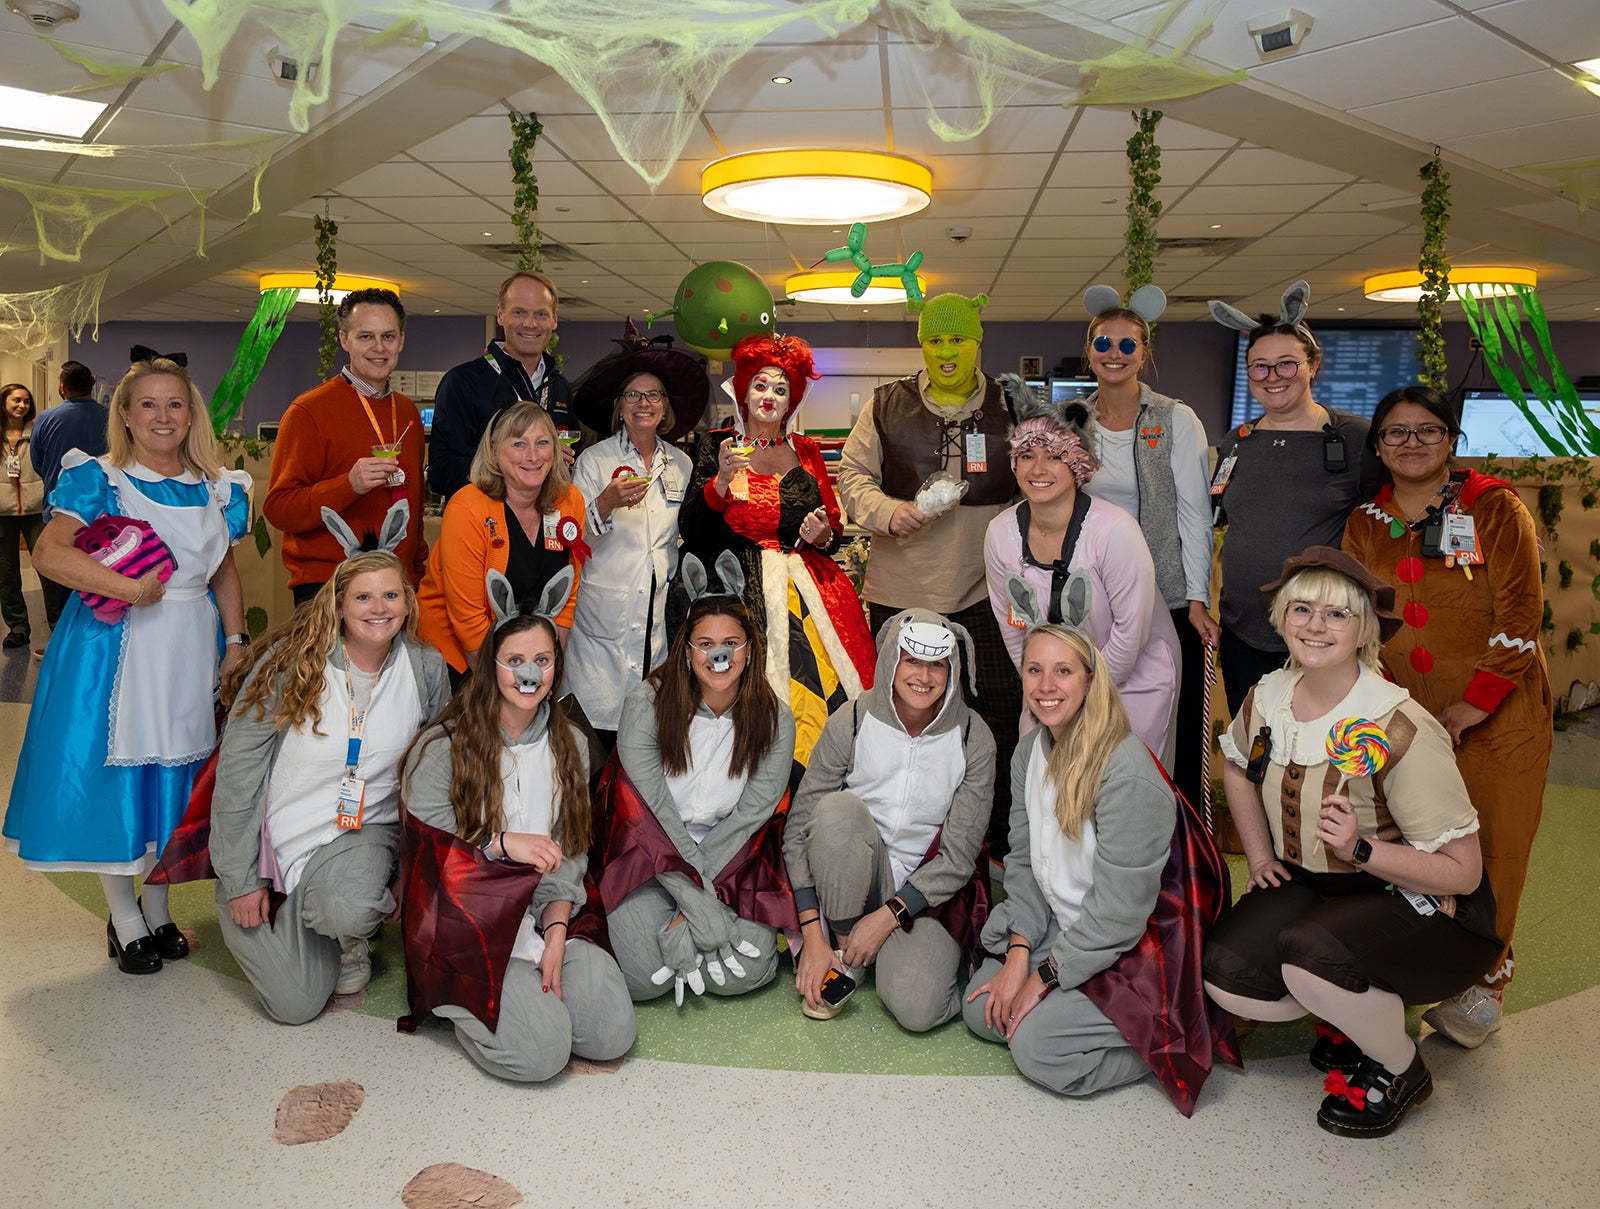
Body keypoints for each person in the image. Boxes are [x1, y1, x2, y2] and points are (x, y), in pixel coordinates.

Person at [1202, 547, 1499, 1138]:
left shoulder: (1397, 724)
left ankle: (1400, 1066)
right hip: (1316, 887)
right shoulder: (1268, 696)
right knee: (1226, 971)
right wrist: (1259, 856)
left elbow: (1463, 873)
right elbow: (1237, 765)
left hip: (1420, 900)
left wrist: (1362, 849)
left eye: (1337, 614)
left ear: (1364, 629)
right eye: (1302, 609)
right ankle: (1349, 1018)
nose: (1315, 625)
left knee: (1310, 957)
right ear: (1282, 619)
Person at [3, 357, 251, 973]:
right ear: (125, 414)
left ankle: (158, 907)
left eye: (175, 404)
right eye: (148, 404)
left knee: (177, 774)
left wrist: (236, 640)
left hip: (189, 645)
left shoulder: (218, 487)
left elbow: (222, 569)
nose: (163, 416)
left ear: (190, 414)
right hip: (113, 649)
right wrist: (128, 587)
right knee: (118, 773)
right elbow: (49, 553)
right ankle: (125, 919)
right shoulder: (99, 478)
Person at [963, 573, 1234, 1114]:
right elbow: (1023, 862)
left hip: (1136, 944)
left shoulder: (1125, 772)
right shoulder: (1029, 753)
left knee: (1038, 1049)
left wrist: (1045, 977)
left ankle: (1171, 1039)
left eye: (1063, 671)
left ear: (1090, 680)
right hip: (1063, 923)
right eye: (1034, 670)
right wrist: (1019, 953)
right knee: (982, 1010)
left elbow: (1119, 915)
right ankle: (1061, 1010)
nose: (1046, 685)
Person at [1342, 385, 1550, 1047]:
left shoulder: (1494, 506)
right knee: (1415, 844)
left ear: (1451, 440)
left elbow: (1521, 613)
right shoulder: (1365, 521)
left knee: (1495, 845)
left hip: (1500, 711)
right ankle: (1425, 963)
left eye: (1427, 430)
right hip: (1405, 712)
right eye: (1396, 432)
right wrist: (1382, 700)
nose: (1412, 443)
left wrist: (1476, 702)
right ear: (1378, 446)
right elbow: (1358, 617)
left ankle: (1484, 984)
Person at [210, 503, 448, 1022]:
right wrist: (241, 879)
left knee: (348, 907)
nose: (379, 608)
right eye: (363, 597)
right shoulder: (289, 664)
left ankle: (346, 932)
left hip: (364, 835)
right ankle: (283, 909)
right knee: (293, 1006)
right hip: (275, 840)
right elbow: (238, 775)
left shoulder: (425, 668)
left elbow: (432, 776)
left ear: (408, 602)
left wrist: (413, 871)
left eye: (391, 595)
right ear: (338, 605)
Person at [401, 572, 636, 1081]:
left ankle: (532, 990)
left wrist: (556, 930)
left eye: (543, 660)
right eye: (515, 660)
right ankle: (461, 1001)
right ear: (492, 665)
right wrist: (501, 842)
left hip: (543, 912)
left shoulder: (571, 744)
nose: (530, 673)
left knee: (609, 1034)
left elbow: (571, 848)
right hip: (469, 920)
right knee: (541, 1056)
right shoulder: (443, 746)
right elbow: (426, 848)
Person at [838, 292, 1023, 850]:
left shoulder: (1012, 405)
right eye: (934, 340)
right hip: (903, 591)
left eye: (957, 340)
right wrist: (886, 511)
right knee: (903, 718)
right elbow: (852, 477)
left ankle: (998, 844)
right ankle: (903, 839)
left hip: (990, 594)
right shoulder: (885, 405)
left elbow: (1043, 477)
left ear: (977, 344)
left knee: (1001, 718)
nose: (946, 352)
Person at [597, 561, 796, 1005]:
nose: (718, 657)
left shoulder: (775, 719)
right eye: (705, 644)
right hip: (646, 856)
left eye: (731, 644)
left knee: (747, 971)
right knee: (642, 978)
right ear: (686, 651)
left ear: (749, 649)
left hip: (731, 857)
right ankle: (684, 929)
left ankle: (686, 934)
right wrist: (700, 903)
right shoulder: (645, 705)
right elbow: (650, 818)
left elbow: (750, 818)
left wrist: (696, 906)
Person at [785, 608, 993, 1029]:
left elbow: (958, 857)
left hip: (926, 892)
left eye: (938, 663)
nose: (924, 676)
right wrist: (812, 934)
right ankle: (847, 948)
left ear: (953, 668)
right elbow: (798, 828)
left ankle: (887, 950)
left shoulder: (974, 737)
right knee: (836, 812)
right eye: (911, 660)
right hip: (854, 878)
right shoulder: (852, 719)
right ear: (891, 660)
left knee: (919, 1011)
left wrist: (886, 919)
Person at [675, 333, 873, 765]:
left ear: (791, 402)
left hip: (808, 589)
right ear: (743, 392)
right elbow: (692, 529)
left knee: (826, 689)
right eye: (761, 385)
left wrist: (821, 534)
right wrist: (721, 481)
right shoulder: (716, 444)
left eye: (780, 390)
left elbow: (832, 528)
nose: (769, 396)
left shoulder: (806, 451)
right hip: (737, 587)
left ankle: (816, 775)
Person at [1208, 282, 1384, 714]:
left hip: (1323, 633)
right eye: (1260, 367)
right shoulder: (1236, 442)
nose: (1273, 377)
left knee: (1319, 743)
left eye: (1286, 364)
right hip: (1243, 628)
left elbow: (1406, 506)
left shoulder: (1356, 438)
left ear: (1313, 365)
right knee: (1253, 737)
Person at [1079, 285, 1218, 807]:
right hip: (1093, 594)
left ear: (1145, 353)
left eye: (1127, 345)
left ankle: (1174, 831)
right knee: (1096, 717)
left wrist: (1198, 598)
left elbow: (1194, 513)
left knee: (1166, 721)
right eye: (1104, 343)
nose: (1114, 353)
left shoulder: (1175, 418)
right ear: (1089, 351)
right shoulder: (1073, 421)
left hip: (1165, 594)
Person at [984, 400, 1180, 765]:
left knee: (1116, 778)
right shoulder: (1000, 533)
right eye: (1026, 456)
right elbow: (1012, 627)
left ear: (1078, 465)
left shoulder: (1114, 531)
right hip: (1053, 685)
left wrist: (1080, 695)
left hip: (1130, 680)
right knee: (1043, 773)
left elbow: (1131, 632)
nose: (1038, 469)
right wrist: (1042, 684)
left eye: (1054, 457)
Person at [264, 288, 428, 605]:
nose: (378, 347)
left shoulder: (407, 412)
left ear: (401, 341)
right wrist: (348, 485)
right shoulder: (308, 411)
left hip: (396, 586)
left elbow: (414, 507)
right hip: (329, 588)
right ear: (344, 340)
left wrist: (416, 577)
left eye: (388, 336)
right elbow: (279, 509)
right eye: (366, 336)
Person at [417, 400, 585, 685]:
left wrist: (547, 673)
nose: (533, 456)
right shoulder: (468, 508)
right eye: (519, 444)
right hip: (457, 658)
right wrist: (505, 689)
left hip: (525, 658)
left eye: (543, 442)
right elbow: (468, 619)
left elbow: (566, 598)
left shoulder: (569, 501)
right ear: (494, 451)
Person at [567, 368, 694, 743]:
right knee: (595, 735)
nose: (644, 403)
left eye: (654, 395)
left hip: (657, 614)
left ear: (665, 407)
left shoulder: (680, 464)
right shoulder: (594, 460)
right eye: (633, 395)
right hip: (602, 615)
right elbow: (572, 536)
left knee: (645, 733)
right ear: (619, 407)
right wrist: (605, 503)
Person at [428, 271, 578, 500]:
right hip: (483, 518)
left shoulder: (560, 387)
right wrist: (506, 466)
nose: (530, 323)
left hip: (545, 517)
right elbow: (441, 473)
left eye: (541, 314)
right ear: (500, 314)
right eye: (519, 312)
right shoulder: (463, 381)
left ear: (554, 319)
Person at [27, 359, 105, 631]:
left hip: (61, 510)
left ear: (62, 388)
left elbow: (38, 462)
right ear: (92, 383)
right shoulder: (112, 417)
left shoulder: (47, 419)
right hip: (104, 513)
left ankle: (62, 634)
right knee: (103, 576)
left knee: (64, 581)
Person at [0, 383, 45, 649]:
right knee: (6, 572)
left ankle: (57, 624)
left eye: (26, 401)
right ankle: (17, 627)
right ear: (3, 402)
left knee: (47, 568)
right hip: (2, 513)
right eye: (16, 400)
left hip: (36, 510)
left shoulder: (38, 432)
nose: (22, 405)